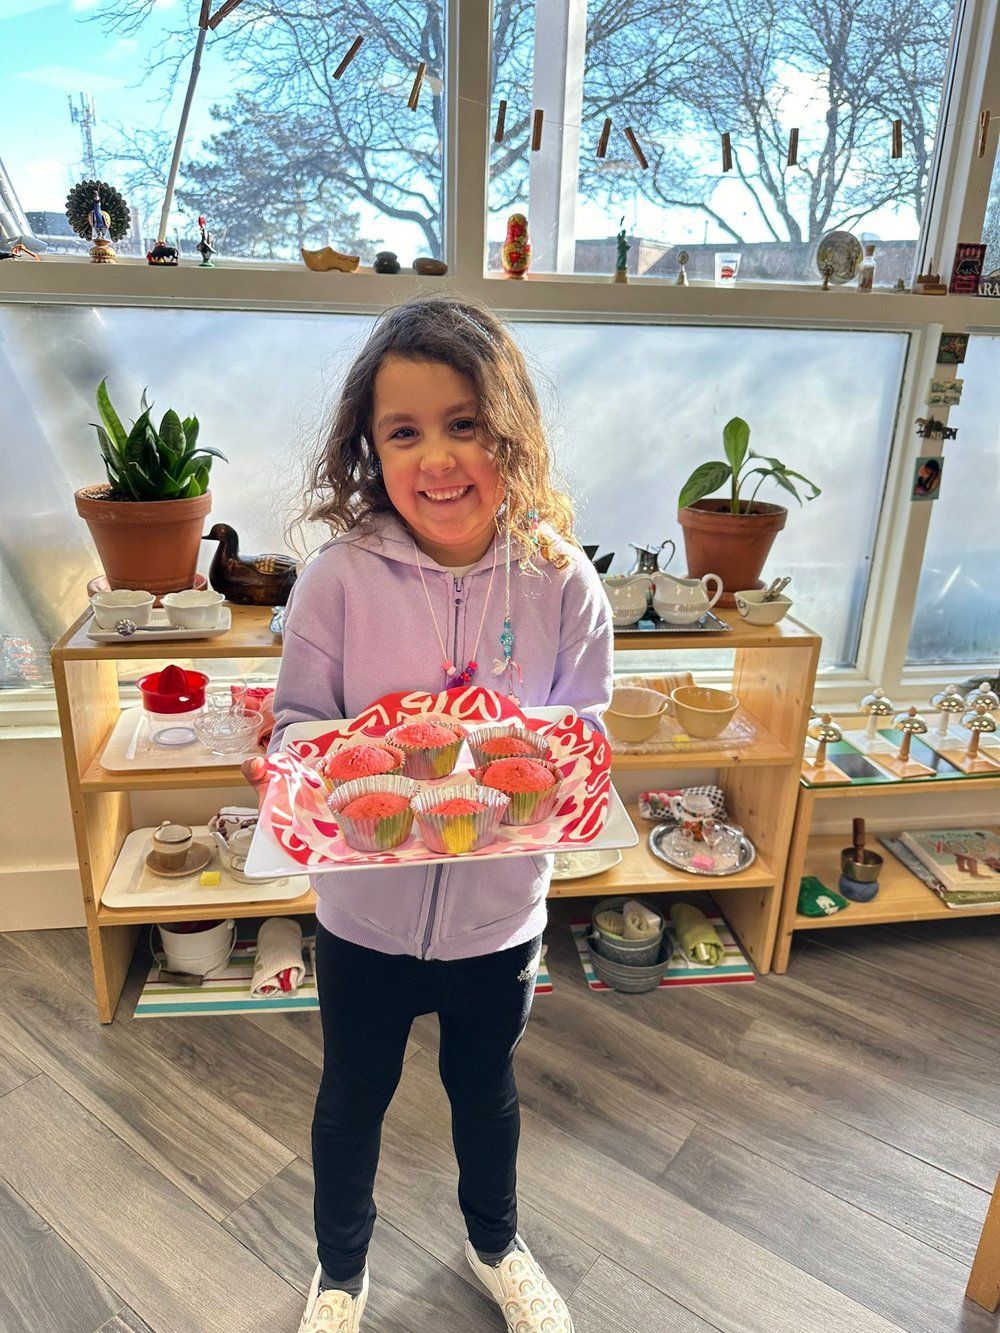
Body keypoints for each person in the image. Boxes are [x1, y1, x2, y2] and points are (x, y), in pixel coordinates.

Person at [243, 297, 613, 1333]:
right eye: (403, 430)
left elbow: (578, 732)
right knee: (350, 1100)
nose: (437, 457)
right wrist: (285, 758)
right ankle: (340, 1274)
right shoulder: (335, 582)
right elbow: (305, 726)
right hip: (363, 922)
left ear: (513, 434)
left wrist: (555, 768)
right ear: (368, 446)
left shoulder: (563, 584)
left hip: (501, 922)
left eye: (465, 423)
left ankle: (494, 1242)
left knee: (484, 1093)